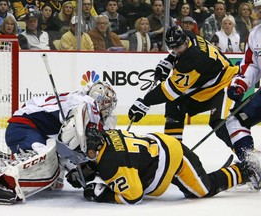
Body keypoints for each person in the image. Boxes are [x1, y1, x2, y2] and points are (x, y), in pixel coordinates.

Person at [0, 81, 118, 204]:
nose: (107, 108)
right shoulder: (86, 102)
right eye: (106, 103)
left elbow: (67, 143)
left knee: (54, 173)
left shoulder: (78, 100)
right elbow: (72, 139)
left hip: (36, 131)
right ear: (98, 98)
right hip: (23, 127)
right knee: (43, 159)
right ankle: (1, 184)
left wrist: (77, 169)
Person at [77, 128, 261, 204]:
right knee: (192, 190)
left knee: (203, 190)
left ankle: (246, 170)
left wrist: (103, 195)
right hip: (158, 152)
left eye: (85, 151)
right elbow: (120, 158)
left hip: (174, 158)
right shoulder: (107, 134)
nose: (84, 153)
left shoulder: (110, 165)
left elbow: (133, 197)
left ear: (92, 151)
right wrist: (90, 169)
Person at [128, 26, 239, 151]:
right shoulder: (188, 35)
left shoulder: (192, 58)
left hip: (226, 84)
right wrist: (169, 61)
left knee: (219, 124)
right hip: (206, 87)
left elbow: (169, 90)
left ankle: (246, 156)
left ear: (184, 41)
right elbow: (176, 53)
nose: (176, 50)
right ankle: (173, 150)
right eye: (172, 48)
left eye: (177, 47)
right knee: (174, 105)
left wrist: (145, 102)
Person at [225, 0, 261, 167]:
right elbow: (251, 65)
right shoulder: (255, 35)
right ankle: (253, 166)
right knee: (235, 121)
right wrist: (240, 84)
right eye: (259, 9)